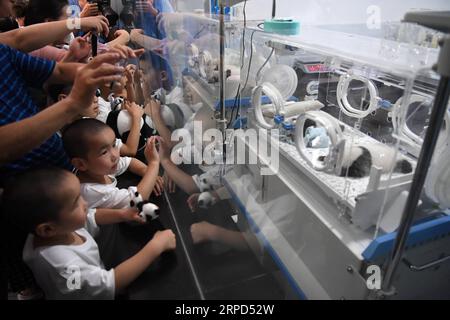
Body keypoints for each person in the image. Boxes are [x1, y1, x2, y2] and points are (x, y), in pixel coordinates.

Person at [2, 167, 176, 299]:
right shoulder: (63, 266)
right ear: (47, 229)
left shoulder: (57, 228)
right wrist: (156, 246)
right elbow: (107, 284)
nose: (85, 203)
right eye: (75, 203)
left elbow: (90, 217)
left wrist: (121, 214)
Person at [0, 44, 137, 182]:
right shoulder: (80, 135)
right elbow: (18, 38)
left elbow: (57, 71)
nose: (95, 99)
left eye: (96, 92)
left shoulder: (87, 123)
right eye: (89, 92)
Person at [62, 119, 164, 209]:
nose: (115, 155)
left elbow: (129, 162)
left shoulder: (98, 168)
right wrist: (153, 164)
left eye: (114, 144)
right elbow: (136, 200)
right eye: (104, 152)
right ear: (80, 164)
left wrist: (146, 172)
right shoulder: (89, 191)